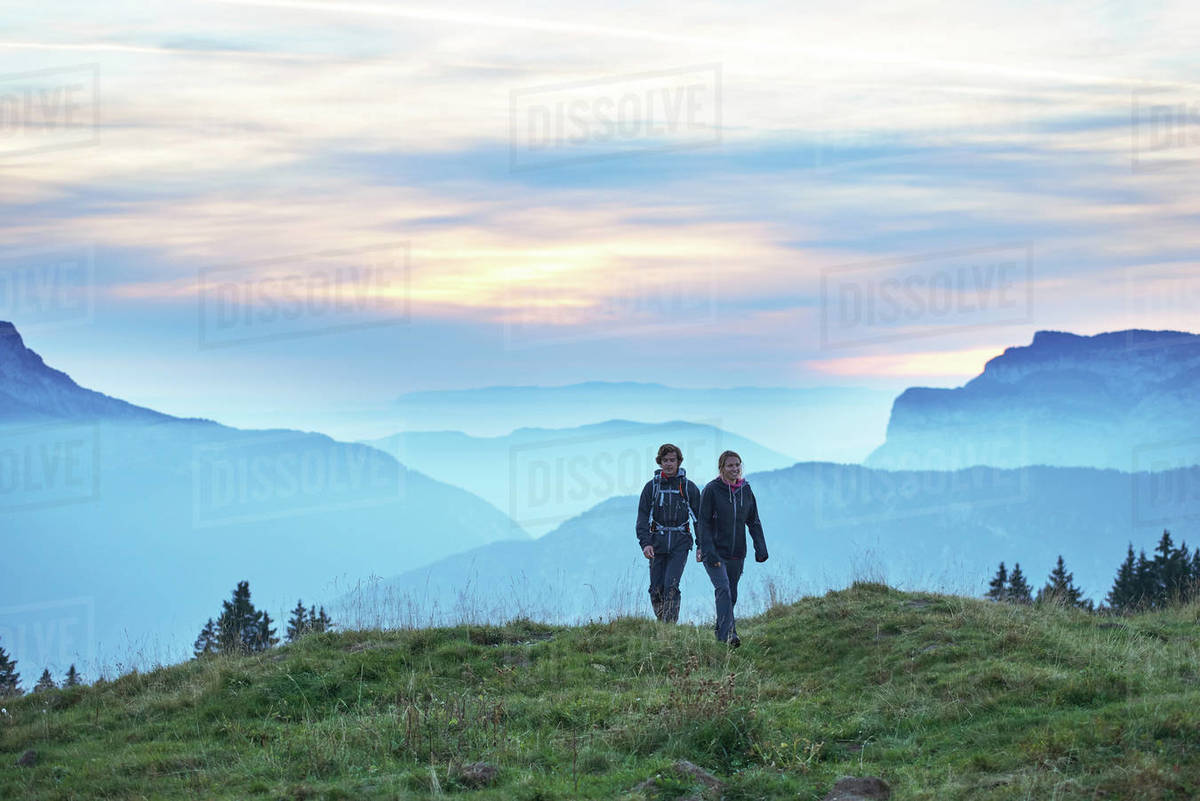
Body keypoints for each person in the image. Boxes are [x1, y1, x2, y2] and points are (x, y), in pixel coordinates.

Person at [698, 450, 768, 647]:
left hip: (737, 552)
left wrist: (760, 547)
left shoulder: (745, 490)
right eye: (730, 465)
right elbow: (703, 522)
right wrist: (708, 550)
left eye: (737, 464)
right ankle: (729, 636)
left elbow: (753, 520)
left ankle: (721, 628)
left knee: (732, 594)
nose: (734, 468)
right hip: (715, 551)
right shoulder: (712, 490)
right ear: (721, 468)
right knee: (723, 590)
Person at [635, 443, 702, 623]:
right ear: (660, 462)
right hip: (657, 543)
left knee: (671, 586)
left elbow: (699, 519)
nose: (669, 464)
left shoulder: (688, 487)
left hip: (681, 543)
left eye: (672, 460)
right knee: (656, 589)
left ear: (679, 462)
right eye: (665, 460)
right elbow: (642, 518)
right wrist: (646, 543)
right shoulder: (652, 488)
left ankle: (669, 628)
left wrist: (701, 545)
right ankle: (662, 623)